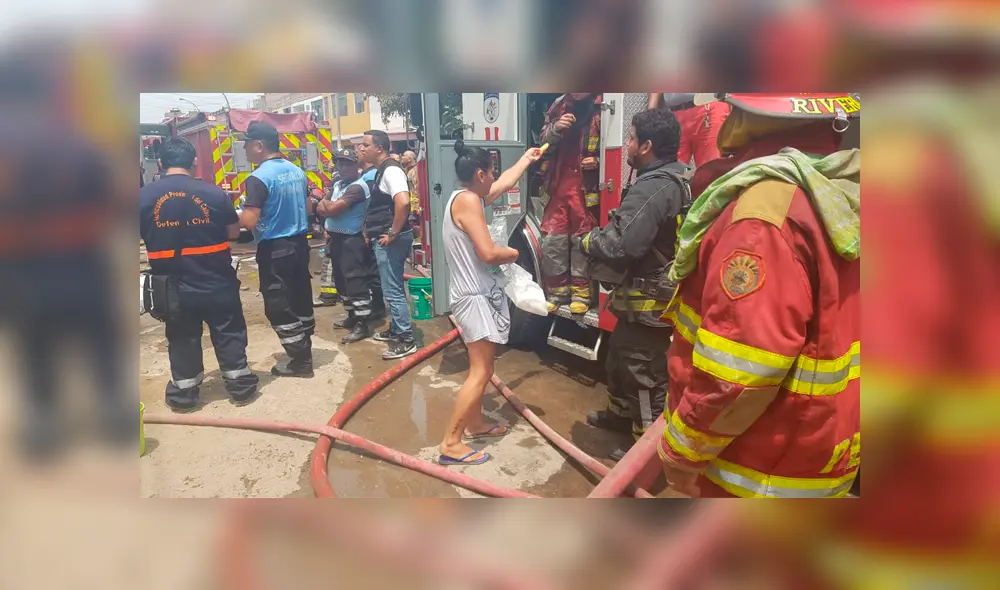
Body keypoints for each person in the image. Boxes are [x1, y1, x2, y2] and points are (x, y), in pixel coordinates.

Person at [657, 93, 860, 498]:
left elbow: (737, 374)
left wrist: (681, 452)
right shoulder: (838, 185)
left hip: (758, 468)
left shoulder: (763, 216)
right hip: (820, 452)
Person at [578, 108, 685, 461]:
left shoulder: (653, 188)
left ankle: (646, 450)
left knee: (642, 373)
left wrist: (588, 241)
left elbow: (621, 245)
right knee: (617, 359)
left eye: (631, 137)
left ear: (646, 146)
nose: (626, 144)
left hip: (648, 301)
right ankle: (620, 416)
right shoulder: (679, 177)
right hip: (647, 299)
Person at [437, 141, 542, 465]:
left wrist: (527, 158)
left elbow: (505, 183)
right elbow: (488, 253)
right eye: (491, 172)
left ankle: (475, 424)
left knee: (484, 368)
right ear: (480, 173)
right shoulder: (469, 201)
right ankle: (451, 443)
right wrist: (513, 254)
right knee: (481, 372)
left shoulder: (463, 197)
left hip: (473, 296)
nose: (494, 177)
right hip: (473, 298)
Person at [140, 136, 259, 410]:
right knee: (228, 332)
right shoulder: (214, 193)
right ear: (193, 162)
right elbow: (232, 232)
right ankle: (240, 387)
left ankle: (184, 395)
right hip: (216, 280)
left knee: (182, 337)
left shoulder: (143, 197)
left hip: (171, 287)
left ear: (160, 163)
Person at [238, 121, 315, 377]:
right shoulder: (297, 171)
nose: (245, 149)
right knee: (299, 296)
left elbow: (248, 222)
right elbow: (307, 207)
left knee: (278, 304)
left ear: (259, 145)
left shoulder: (258, 178)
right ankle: (306, 348)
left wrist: (226, 215)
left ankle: (300, 360)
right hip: (300, 245)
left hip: (275, 249)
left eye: (247, 144)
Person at [537, 93, 602, 313]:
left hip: (585, 189)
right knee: (553, 242)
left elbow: (620, 144)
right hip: (557, 186)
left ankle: (582, 296)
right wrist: (555, 129)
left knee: (581, 242)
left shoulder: (603, 105)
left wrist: (599, 161)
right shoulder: (559, 105)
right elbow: (542, 143)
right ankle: (557, 293)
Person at [359, 129, 417, 360]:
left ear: (379, 148)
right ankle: (397, 328)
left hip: (391, 240)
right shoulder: (383, 170)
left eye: (365, 145)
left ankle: (406, 339)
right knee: (392, 288)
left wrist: (392, 233)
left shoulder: (391, 170)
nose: (361, 149)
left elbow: (403, 203)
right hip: (386, 237)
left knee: (392, 290)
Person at [316, 148, 381, 343]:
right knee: (341, 280)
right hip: (336, 239)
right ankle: (352, 316)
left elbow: (333, 209)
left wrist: (326, 206)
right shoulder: (338, 183)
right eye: (339, 163)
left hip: (351, 241)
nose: (342, 167)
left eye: (347, 163)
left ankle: (363, 323)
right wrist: (325, 205)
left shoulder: (358, 188)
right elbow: (320, 207)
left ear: (357, 166)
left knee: (355, 280)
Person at [648, 93, 731, 167]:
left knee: (710, 169)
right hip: (673, 114)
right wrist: (650, 114)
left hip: (708, 107)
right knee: (671, 169)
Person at [400, 150, 422, 235]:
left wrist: (416, 206)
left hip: (415, 206)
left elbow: (416, 189)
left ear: (409, 159)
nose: (402, 157)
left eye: (404, 156)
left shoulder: (414, 171)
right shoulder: (408, 171)